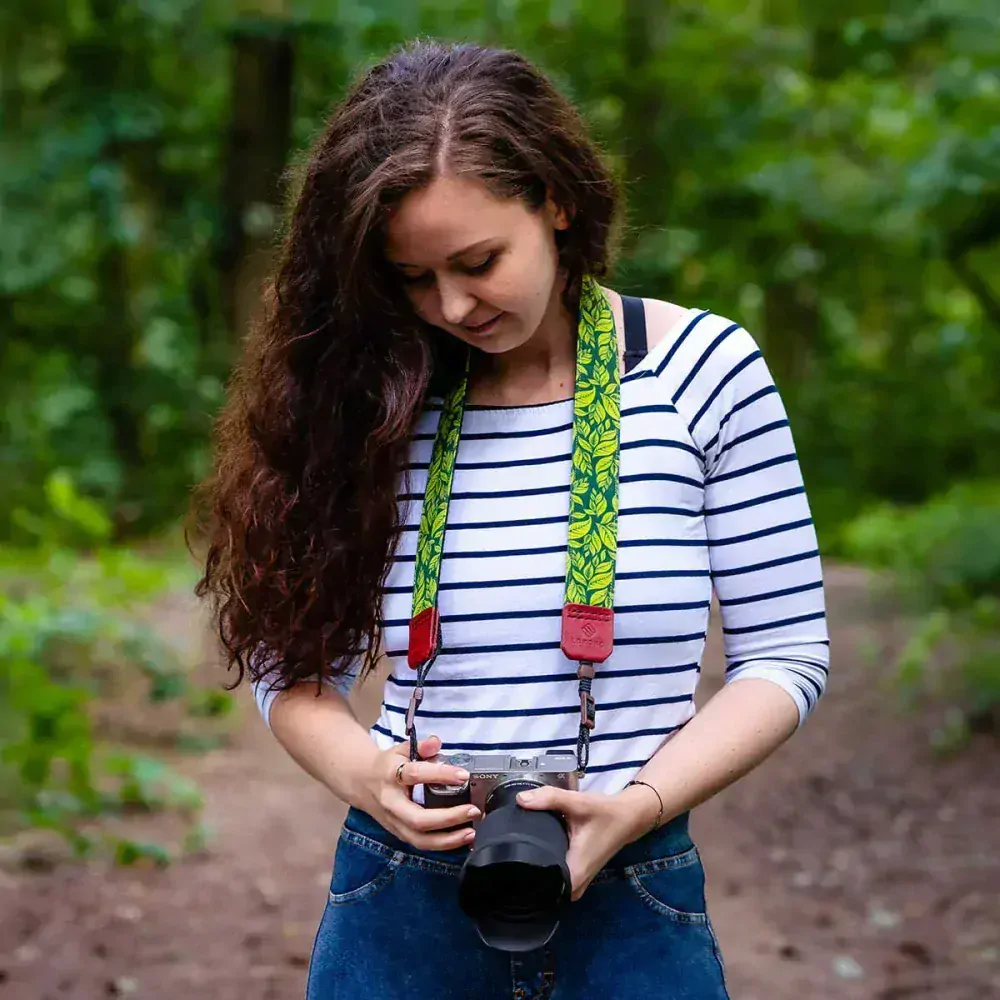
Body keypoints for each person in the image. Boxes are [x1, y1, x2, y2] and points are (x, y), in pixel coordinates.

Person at [193, 40, 829, 1000]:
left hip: (632, 887)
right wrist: (366, 777)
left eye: (478, 260)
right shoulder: (371, 391)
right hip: (401, 900)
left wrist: (635, 806)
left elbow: (786, 655)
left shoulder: (707, 374)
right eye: (412, 277)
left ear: (556, 201)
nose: (451, 305)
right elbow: (287, 660)